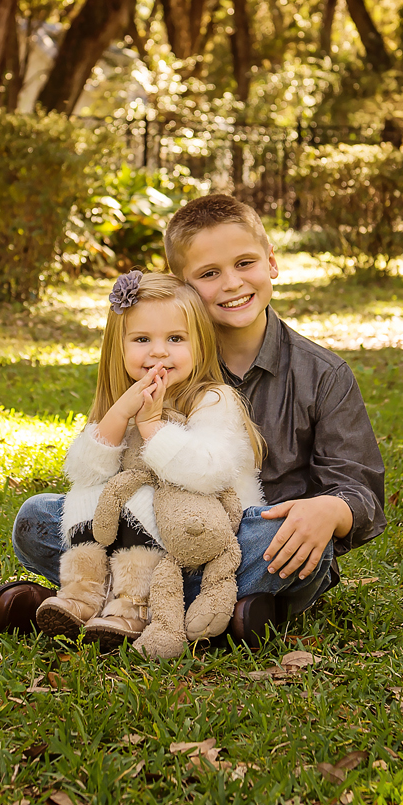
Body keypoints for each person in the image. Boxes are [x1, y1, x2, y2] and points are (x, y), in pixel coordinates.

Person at [0, 193, 385, 644]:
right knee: (36, 518)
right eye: (210, 273)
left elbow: (361, 489)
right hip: (149, 529)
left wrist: (330, 510)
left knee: (295, 545)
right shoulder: (159, 356)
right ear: (183, 287)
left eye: (245, 263)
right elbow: (100, 472)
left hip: (250, 538)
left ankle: (100, 602)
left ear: (271, 262)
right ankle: (220, 615)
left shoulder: (323, 375)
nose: (232, 283)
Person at [31, 271, 264, 655]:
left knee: (268, 537)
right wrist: (118, 416)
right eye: (142, 339)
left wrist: (153, 428)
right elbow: (86, 476)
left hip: (203, 544)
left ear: (200, 345)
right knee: (36, 514)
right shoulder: (121, 401)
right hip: (127, 546)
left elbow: (208, 474)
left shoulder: (213, 400)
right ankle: (82, 596)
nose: (158, 352)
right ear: (118, 349)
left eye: (175, 339)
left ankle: (135, 604)